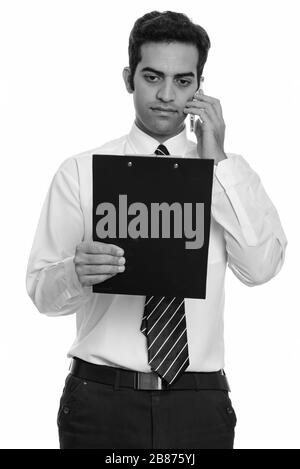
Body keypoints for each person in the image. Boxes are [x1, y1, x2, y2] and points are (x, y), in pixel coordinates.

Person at [26, 10, 287, 450]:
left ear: (200, 86)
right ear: (129, 78)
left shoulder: (225, 175)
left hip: (198, 402)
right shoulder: (80, 173)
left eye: (183, 81)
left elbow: (261, 267)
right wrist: (75, 270)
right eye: (152, 77)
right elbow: (40, 293)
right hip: (100, 401)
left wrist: (217, 162)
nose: (167, 95)